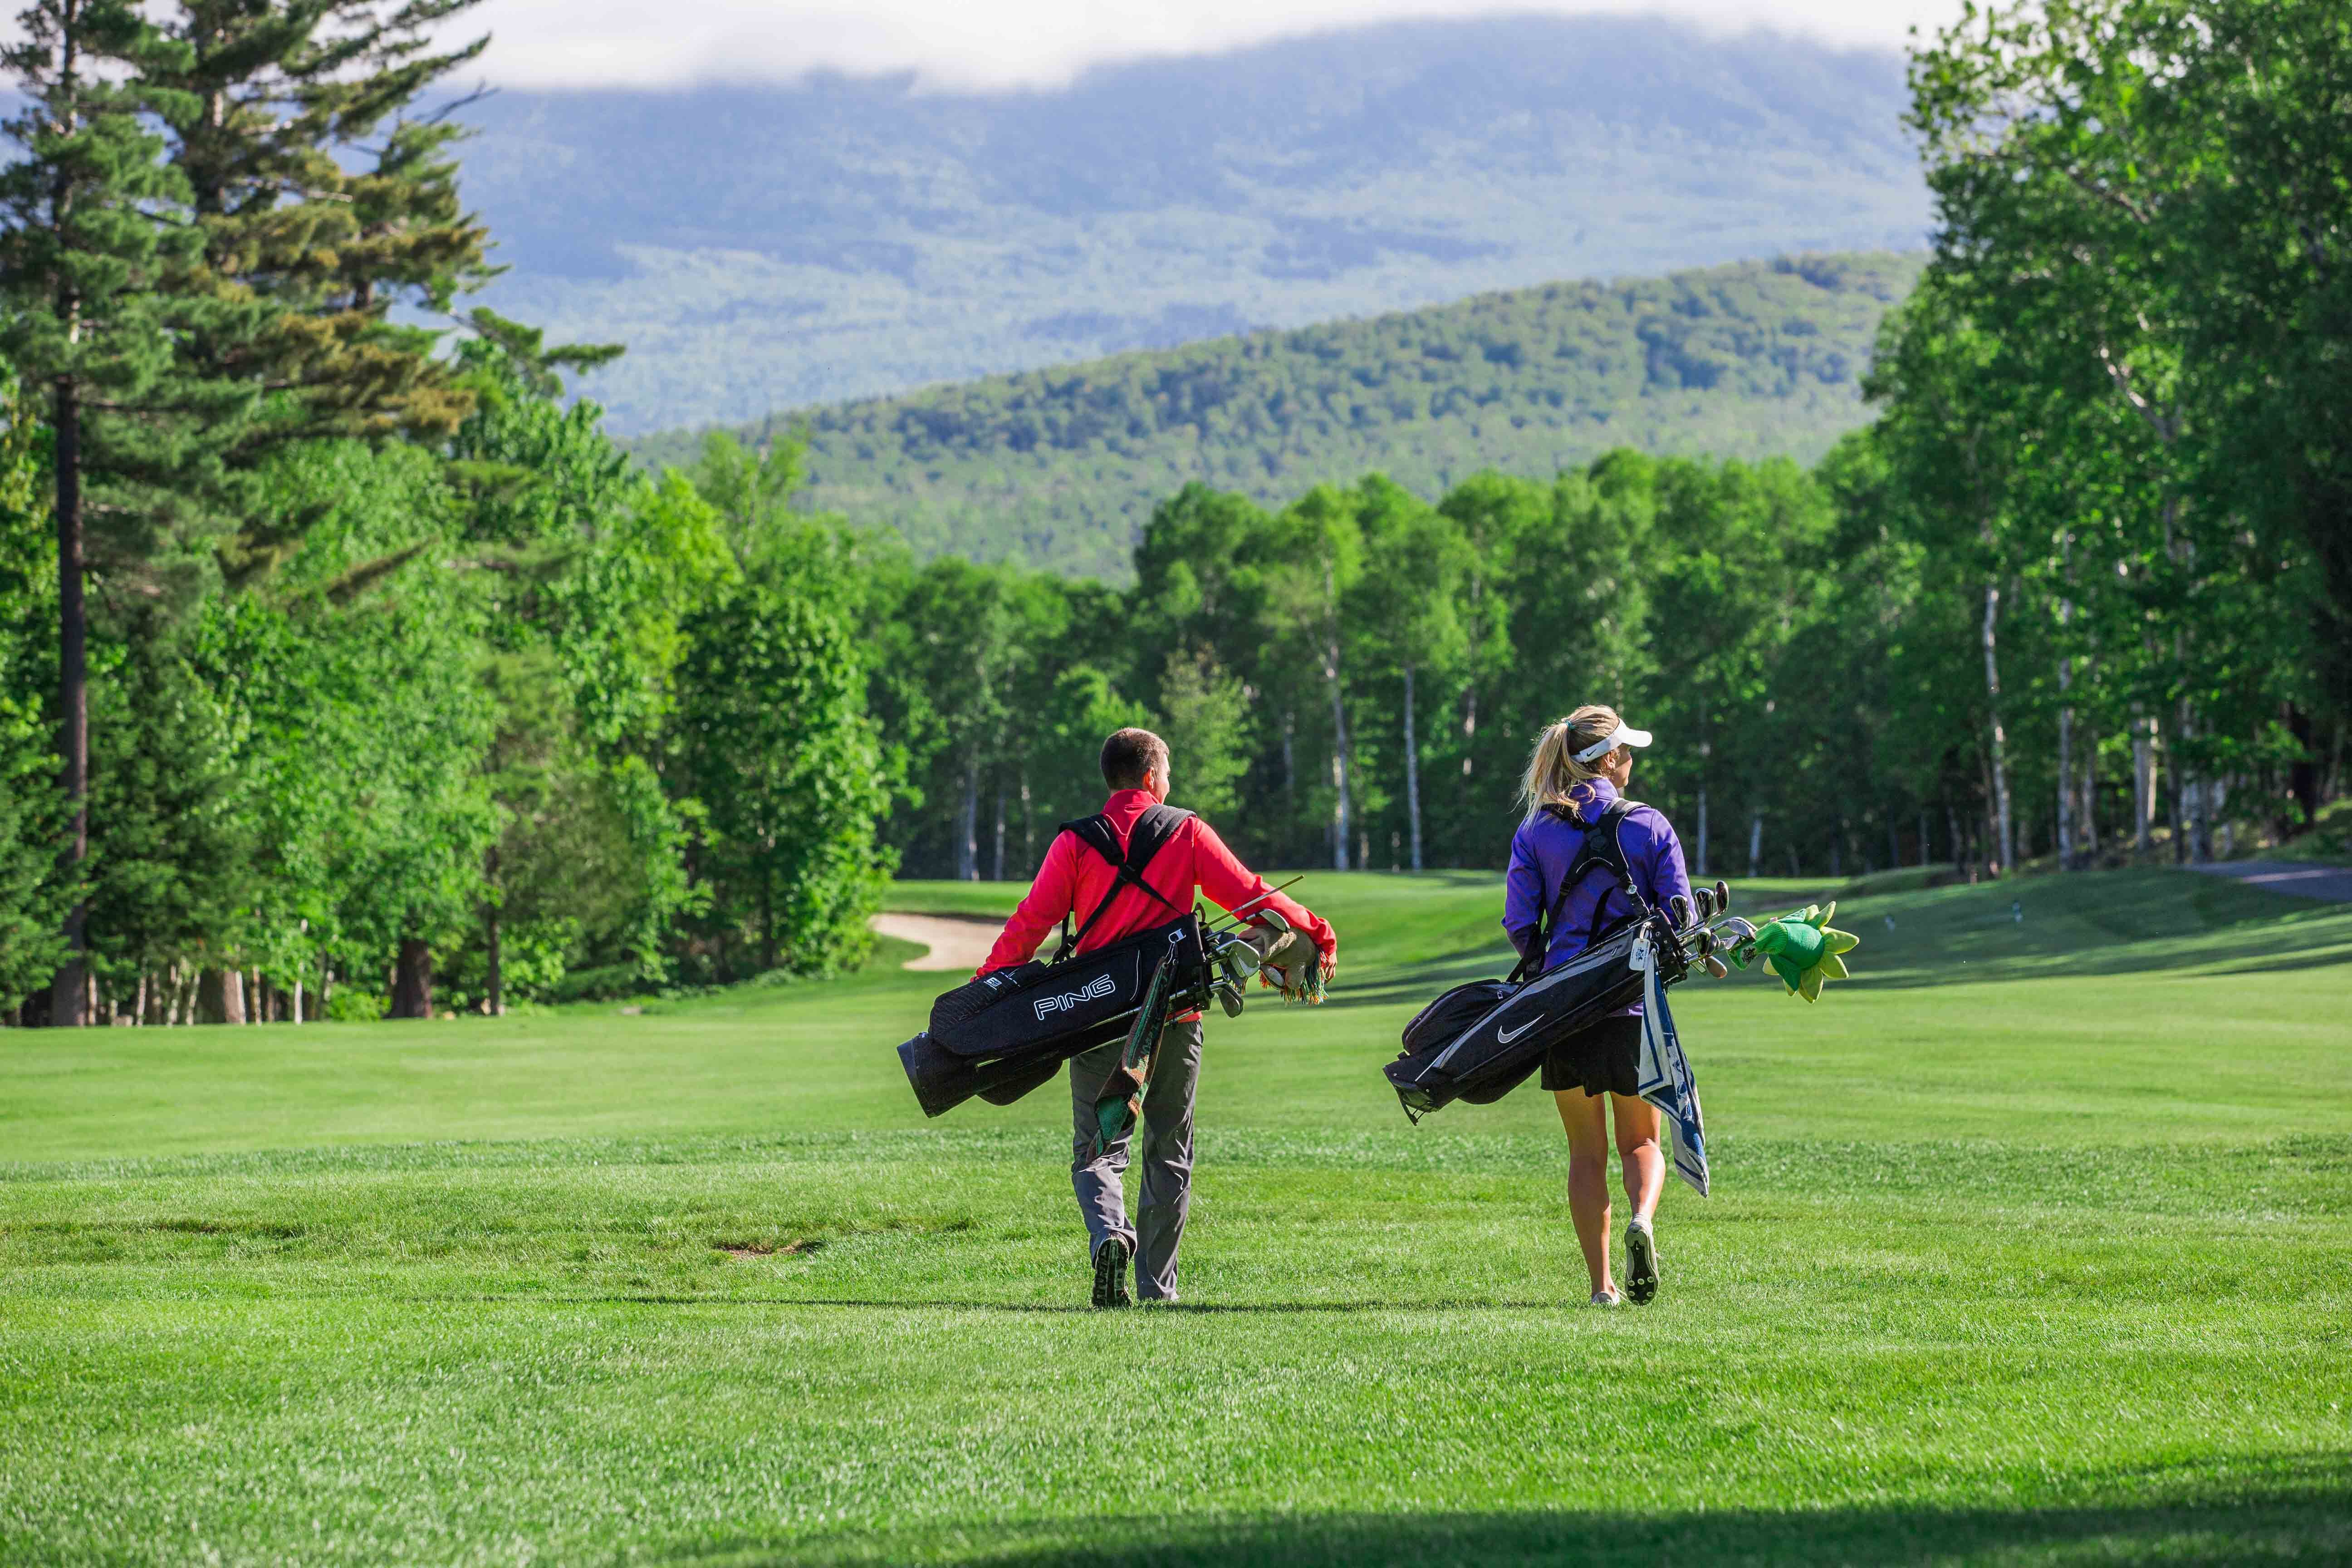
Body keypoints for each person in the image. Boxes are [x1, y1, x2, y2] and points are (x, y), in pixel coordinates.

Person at [978, 727, 1338, 1310]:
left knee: (1099, 1150)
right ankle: (1156, 1289)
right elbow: (1250, 895)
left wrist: (983, 991)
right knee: (1169, 1149)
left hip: (1097, 1018)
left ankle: (1110, 1236)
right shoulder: (1186, 830)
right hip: (1177, 1013)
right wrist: (1317, 932)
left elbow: (1029, 925)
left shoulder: (1073, 842)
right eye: (1166, 773)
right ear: (1151, 777)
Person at [1502, 705, 1692, 1308]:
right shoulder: (1650, 826)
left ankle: (1602, 1287)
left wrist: (1549, 966)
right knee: (1642, 1144)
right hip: (1634, 1008)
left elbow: (1519, 923)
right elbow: (1680, 914)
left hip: (1563, 1009)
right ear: (1608, 760)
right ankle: (1644, 1220)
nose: (1632, 761)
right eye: (1626, 752)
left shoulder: (1535, 832)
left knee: (1585, 1153)